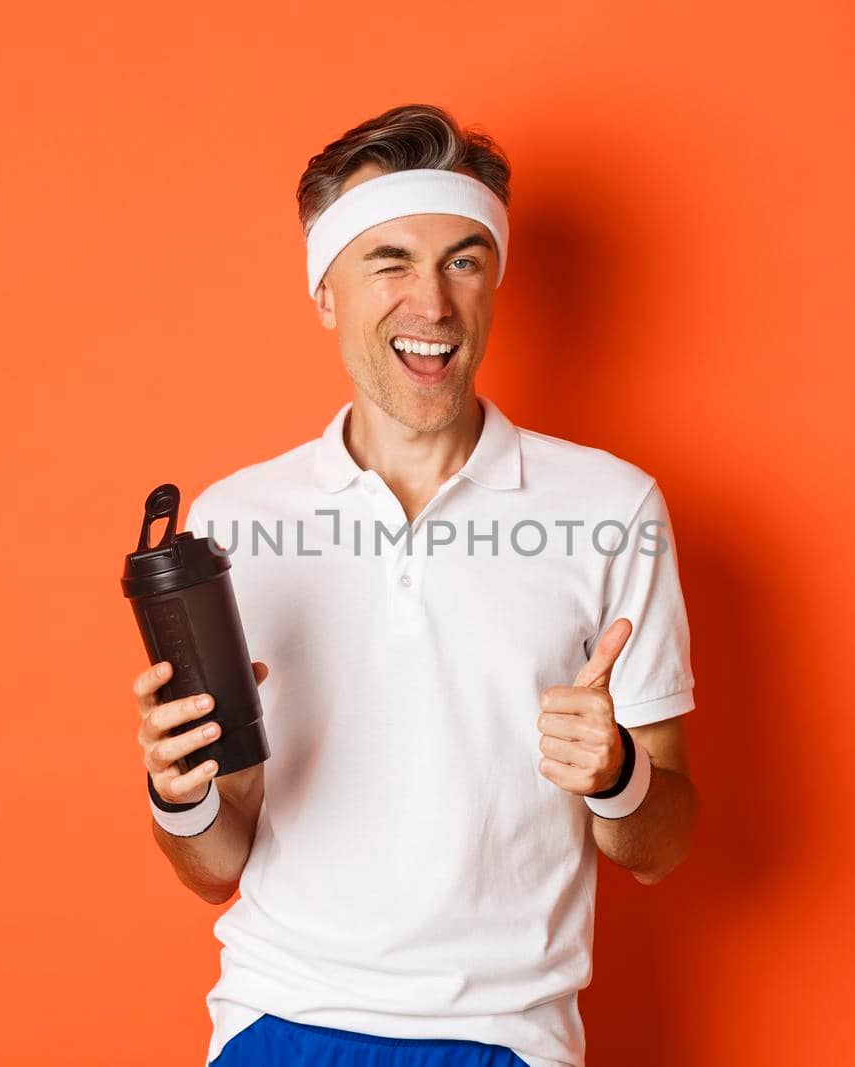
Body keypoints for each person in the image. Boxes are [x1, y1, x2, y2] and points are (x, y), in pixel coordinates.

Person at [131, 103, 697, 1067]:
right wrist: (176, 793)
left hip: (501, 1035)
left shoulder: (612, 504)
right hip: (277, 1020)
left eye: (464, 261)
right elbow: (215, 865)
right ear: (325, 292)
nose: (431, 303)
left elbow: (661, 841)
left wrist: (617, 775)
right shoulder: (233, 522)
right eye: (388, 260)